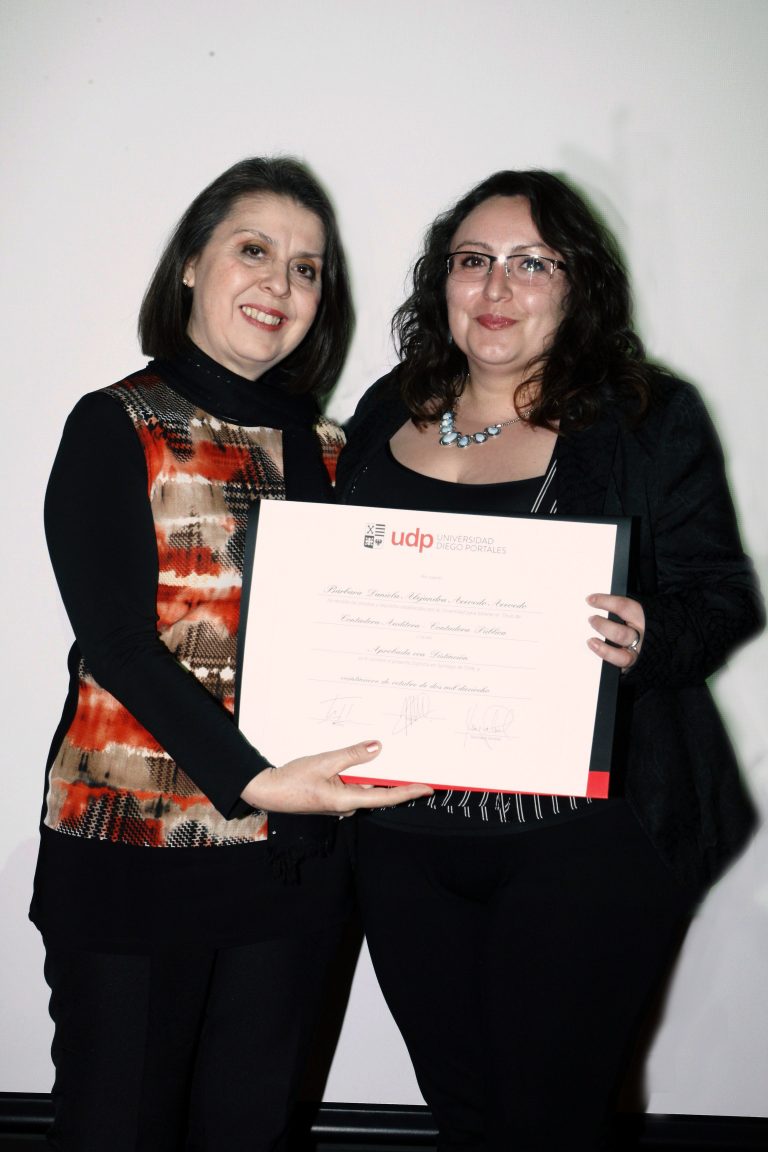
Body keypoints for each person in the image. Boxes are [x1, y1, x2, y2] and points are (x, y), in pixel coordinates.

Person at [336, 170, 764, 1151]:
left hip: (582, 840)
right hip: (403, 840)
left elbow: (721, 597)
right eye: (473, 261)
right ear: (442, 281)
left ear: (578, 286)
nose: (497, 288)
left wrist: (651, 636)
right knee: (463, 1114)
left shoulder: (647, 417)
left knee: (548, 1122)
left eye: (532, 264)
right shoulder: (386, 408)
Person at [31, 156, 430, 1152]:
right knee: (115, 1132)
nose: (280, 284)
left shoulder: (337, 450)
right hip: (134, 851)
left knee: (250, 1134)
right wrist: (254, 781)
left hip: (293, 867)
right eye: (254, 250)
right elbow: (118, 644)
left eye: (307, 269)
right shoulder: (118, 423)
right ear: (189, 266)